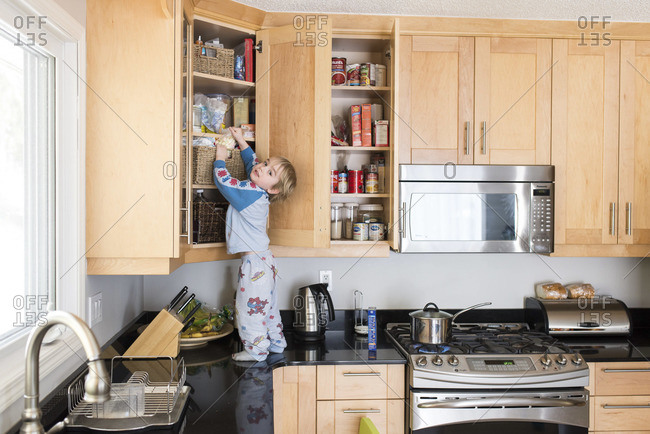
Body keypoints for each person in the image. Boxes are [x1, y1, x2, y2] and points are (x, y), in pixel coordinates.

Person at [213, 127, 296, 361]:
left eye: (269, 170)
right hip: (264, 261)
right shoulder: (260, 191)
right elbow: (253, 165)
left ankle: (256, 351)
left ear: (273, 189)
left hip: (255, 265)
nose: (261, 167)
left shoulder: (250, 193)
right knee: (268, 307)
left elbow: (225, 183)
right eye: (266, 163)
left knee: (250, 309)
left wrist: (220, 156)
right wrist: (240, 140)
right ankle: (277, 342)